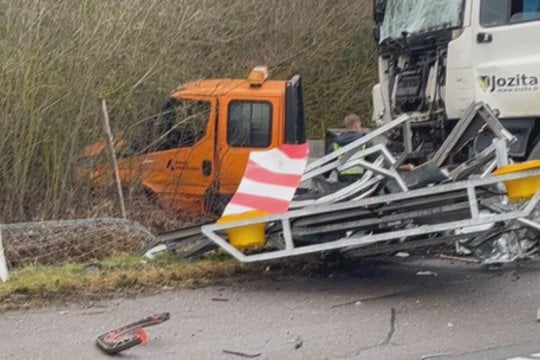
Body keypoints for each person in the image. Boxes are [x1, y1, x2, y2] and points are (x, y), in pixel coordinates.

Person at [330, 113, 369, 184]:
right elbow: (375, 161)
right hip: (361, 183)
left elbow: (326, 166)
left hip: (342, 183)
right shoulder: (366, 141)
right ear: (357, 125)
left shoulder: (335, 143)